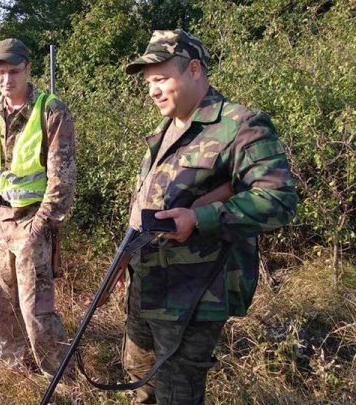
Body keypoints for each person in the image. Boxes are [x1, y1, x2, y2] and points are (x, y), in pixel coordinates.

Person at [121, 29, 298, 404]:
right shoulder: (166, 128)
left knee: (176, 392)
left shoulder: (241, 125)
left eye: (162, 78)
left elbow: (279, 199)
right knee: (140, 379)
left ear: (195, 70)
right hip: (146, 281)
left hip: (194, 293)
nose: (153, 90)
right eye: (149, 82)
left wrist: (201, 219)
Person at [0, 38, 76, 378]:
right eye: (0, 72)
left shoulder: (51, 110)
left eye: (14, 71)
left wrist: (40, 228)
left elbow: (62, 180)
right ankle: (12, 368)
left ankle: (59, 377)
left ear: (28, 69)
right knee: (0, 300)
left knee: (37, 310)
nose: (7, 79)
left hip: (33, 221)